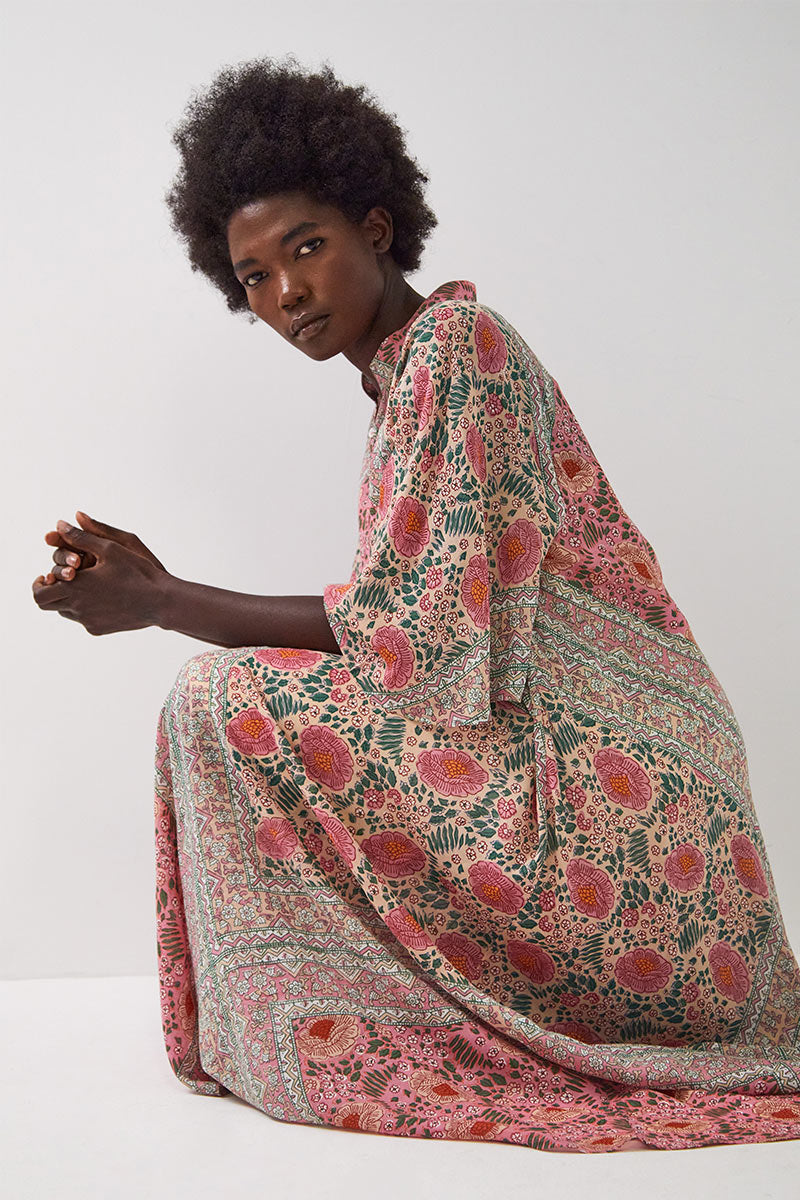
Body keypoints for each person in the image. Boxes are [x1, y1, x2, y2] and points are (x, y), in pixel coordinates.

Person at [32, 56, 800, 1154]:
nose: (287, 293)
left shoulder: (454, 350)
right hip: (612, 797)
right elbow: (413, 635)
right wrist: (162, 594)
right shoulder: (407, 378)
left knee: (218, 698)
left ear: (376, 227)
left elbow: (411, 647)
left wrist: (164, 601)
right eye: (253, 276)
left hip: (623, 814)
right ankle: (331, 1026)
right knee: (222, 693)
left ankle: (328, 1037)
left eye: (306, 247)